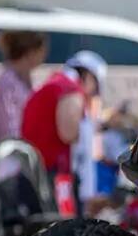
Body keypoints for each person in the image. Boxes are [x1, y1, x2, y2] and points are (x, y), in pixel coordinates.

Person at [20, 50, 107, 215]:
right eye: (94, 88)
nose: (92, 95)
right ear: (88, 76)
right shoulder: (70, 90)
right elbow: (68, 134)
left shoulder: (54, 84)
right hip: (50, 176)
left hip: (33, 172)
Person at [0, 30, 47, 140]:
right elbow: (8, 123)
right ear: (30, 52)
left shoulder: (27, 80)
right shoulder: (8, 82)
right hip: (14, 149)